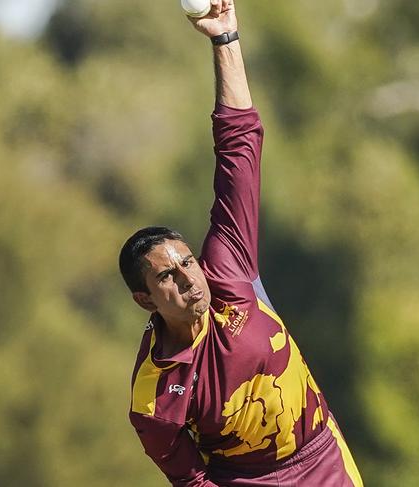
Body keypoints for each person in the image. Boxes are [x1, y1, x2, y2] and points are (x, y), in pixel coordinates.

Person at [118, 1, 363, 485]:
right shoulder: (155, 397)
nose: (190, 277)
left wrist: (225, 39)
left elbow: (240, 147)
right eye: (168, 275)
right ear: (143, 299)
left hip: (324, 460)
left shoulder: (226, 270)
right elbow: (193, 481)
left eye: (187, 262)